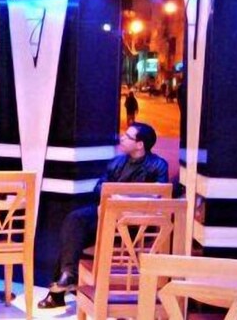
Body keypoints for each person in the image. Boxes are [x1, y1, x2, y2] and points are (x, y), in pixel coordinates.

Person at [38, 122, 170, 309]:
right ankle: (69, 275)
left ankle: (58, 293)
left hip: (135, 225)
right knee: (75, 223)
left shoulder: (158, 165)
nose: (122, 138)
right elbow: (99, 187)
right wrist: (111, 195)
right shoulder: (116, 162)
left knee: (72, 240)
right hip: (107, 216)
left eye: (128, 136)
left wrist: (123, 197)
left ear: (140, 144)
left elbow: (159, 194)